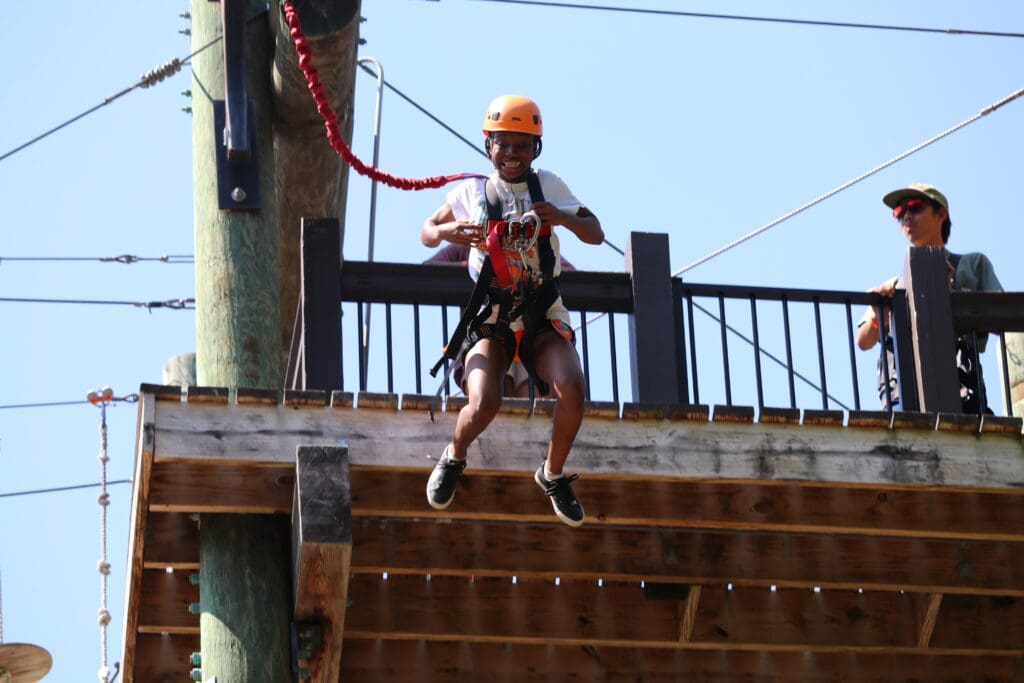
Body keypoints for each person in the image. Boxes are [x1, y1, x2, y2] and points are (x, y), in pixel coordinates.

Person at [420, 94, 603, 527]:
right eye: (504, 144)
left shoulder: (549, 187)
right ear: (490, 146)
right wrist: (450, 230)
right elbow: (428, 232)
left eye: (522, 145)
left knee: (572, 386)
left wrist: (560, 217)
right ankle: (454, 455)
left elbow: (595, 232)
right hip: (491, 317)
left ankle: (552, 474)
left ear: (534, 149)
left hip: (541, 313)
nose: (512, 154)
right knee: (484, 401)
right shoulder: (471, 193)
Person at [856, 183, 1003, 413]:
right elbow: (863, 341)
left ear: (941, 214)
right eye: (898, 212)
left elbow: (1001, 317)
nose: (906, 216)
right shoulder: (894, 285)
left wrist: (952, 294)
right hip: (904, 391)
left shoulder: (971, 265)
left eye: (914, 207)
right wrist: (878, 314)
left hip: (961, 386)